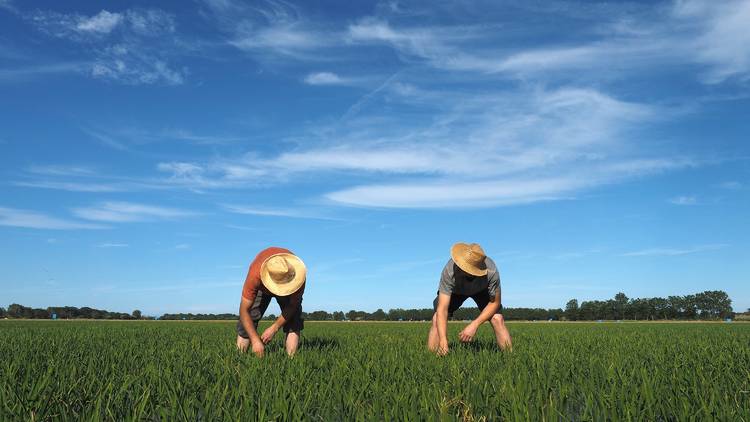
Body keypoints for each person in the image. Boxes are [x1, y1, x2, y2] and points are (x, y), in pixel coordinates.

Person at [428, 242, 512, 355]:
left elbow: (495, 303)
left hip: (482, 290)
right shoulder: (449, 271)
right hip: (456, 291)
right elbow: (442, 309)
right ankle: (433, 357)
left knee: (497, 319)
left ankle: (510, 358)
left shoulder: (491, 271)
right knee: (436, 318)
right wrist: (443, 340)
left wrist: (474, 324)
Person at [236, 247, 306, 357]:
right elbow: (244, 310)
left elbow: (293, 306)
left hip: (290, 285)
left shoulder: (299, 278)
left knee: (294, 320)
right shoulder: (255, 274)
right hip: (261, 287)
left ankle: (292, 360)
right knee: (250, 316)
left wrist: (274, 328)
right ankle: (239, 359)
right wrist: (255, 340)